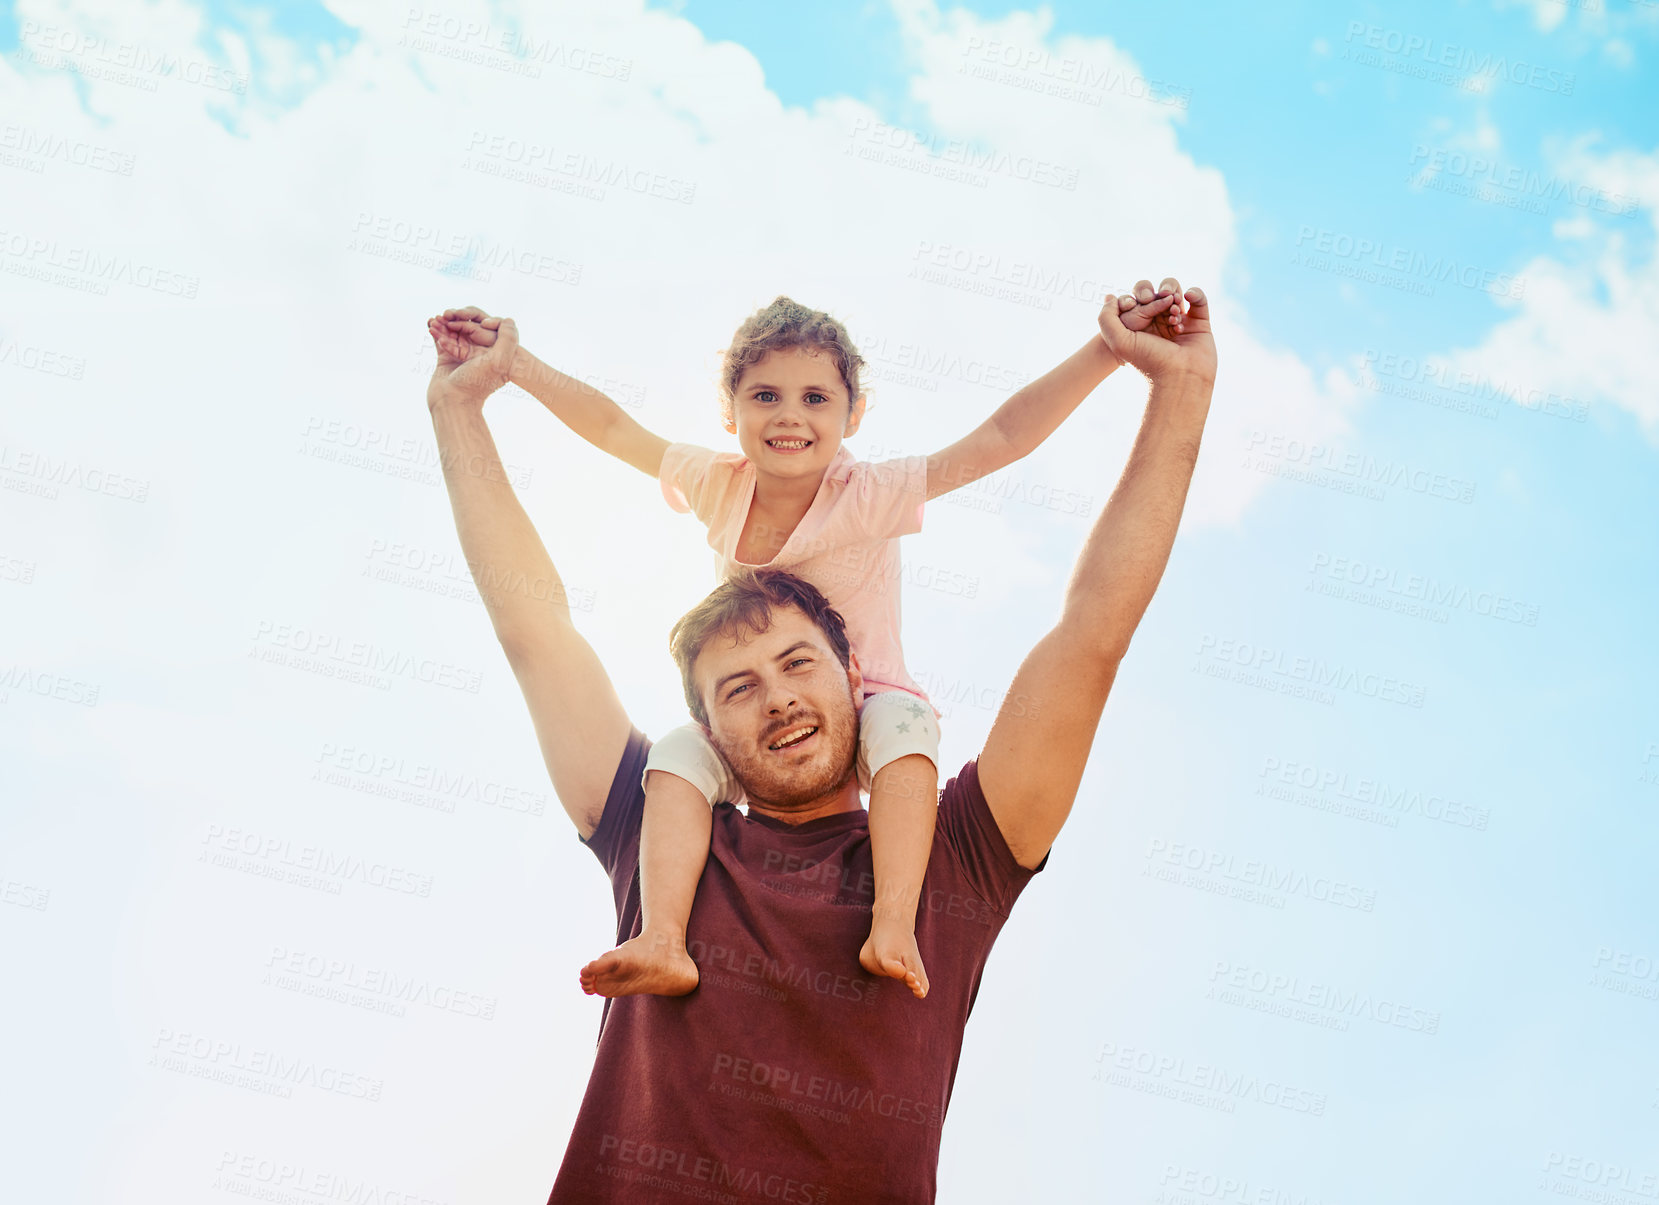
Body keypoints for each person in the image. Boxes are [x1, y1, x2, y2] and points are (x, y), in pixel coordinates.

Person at [423, 277, 1217, 1203]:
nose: (775, 698)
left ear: (852, 673)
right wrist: (464, 406)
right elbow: (533, 626)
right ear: (705, 726)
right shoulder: (661, 833)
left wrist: (1178, 386)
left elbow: (1094, 628)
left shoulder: (948, 858)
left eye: (798, 663)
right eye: (736, 685)